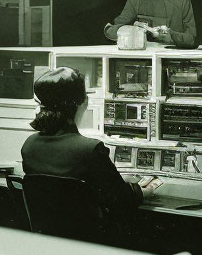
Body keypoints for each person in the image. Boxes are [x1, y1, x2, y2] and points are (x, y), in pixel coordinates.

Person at [20, 67, 160, 226]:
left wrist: (120, 182)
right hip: (92, 240)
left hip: (52, 239)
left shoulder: (29, 145)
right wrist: (142, 192)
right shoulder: (90, 149)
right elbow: (121, 199)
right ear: (83, 102)